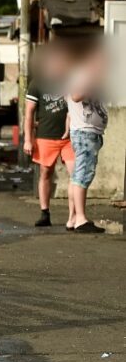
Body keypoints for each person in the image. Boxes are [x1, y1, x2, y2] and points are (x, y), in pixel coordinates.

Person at [24, 46, 74, 228]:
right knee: (46, 173)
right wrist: (28, 139)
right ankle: (45, 212)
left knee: (74, 174)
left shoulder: (70, 81)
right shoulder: (37, 83)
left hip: (70, 137)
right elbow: (29, 113)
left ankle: (74, 215)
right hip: (45, 136)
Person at [66, 49, 109, 234]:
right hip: (85, 133)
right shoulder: (84, 75)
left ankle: (74, 218)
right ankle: (80, 219)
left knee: (78, 175)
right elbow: (76, 95)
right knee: (82, 175)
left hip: (86, 132)